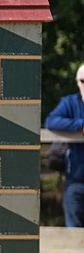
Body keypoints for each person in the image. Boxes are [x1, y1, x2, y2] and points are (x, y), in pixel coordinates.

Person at [44, 63, 84, 227]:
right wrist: (80, 125)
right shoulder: (70, 102)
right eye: (83, 81)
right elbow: (51, 121)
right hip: (76, 180)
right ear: (77, 83)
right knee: (73, 234)